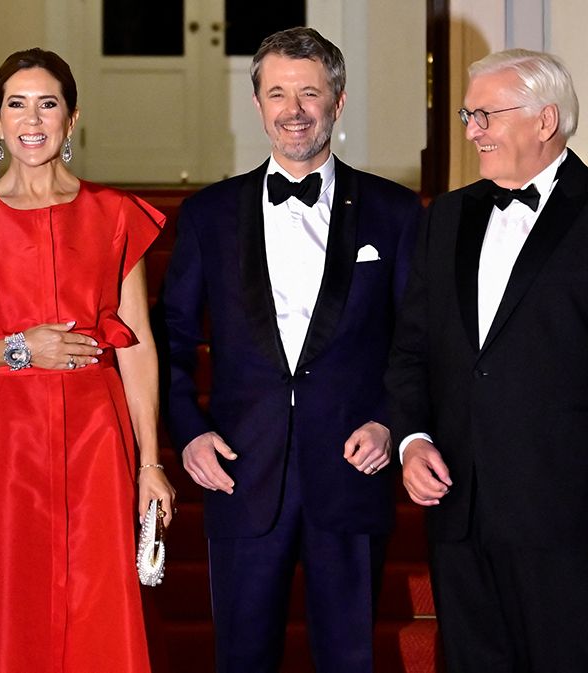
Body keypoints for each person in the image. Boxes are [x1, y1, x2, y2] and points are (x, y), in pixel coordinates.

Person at [386, 49, 588, 673]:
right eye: (468, 115)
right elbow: (412, 349)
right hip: (461, 512)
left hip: (568, 517)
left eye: (486, 115)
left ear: (545, 120)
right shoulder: (448, 216)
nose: (472, 131)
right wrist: (412, 438)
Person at [0, 48, 176, 673]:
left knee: (95, 602)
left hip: (97, 435)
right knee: (12, 596)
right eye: (17, 104)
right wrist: (19, 348)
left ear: (71, 118)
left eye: (47, 104)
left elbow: (137, 344)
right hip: (4, 440)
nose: (32, 120)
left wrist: (151, 463)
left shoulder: (114, 214)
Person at [163, 27, 422, 672]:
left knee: (350, 658)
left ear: (338, 100)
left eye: (310, 92)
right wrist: (189, 434)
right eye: (277, 93)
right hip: (239, 469)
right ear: (257, 103)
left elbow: (417, 339)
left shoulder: (395, 212)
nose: (294, 110)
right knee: (242, 658)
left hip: (353, 467)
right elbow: (172, 339)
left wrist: (389, 421)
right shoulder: (208, 214)